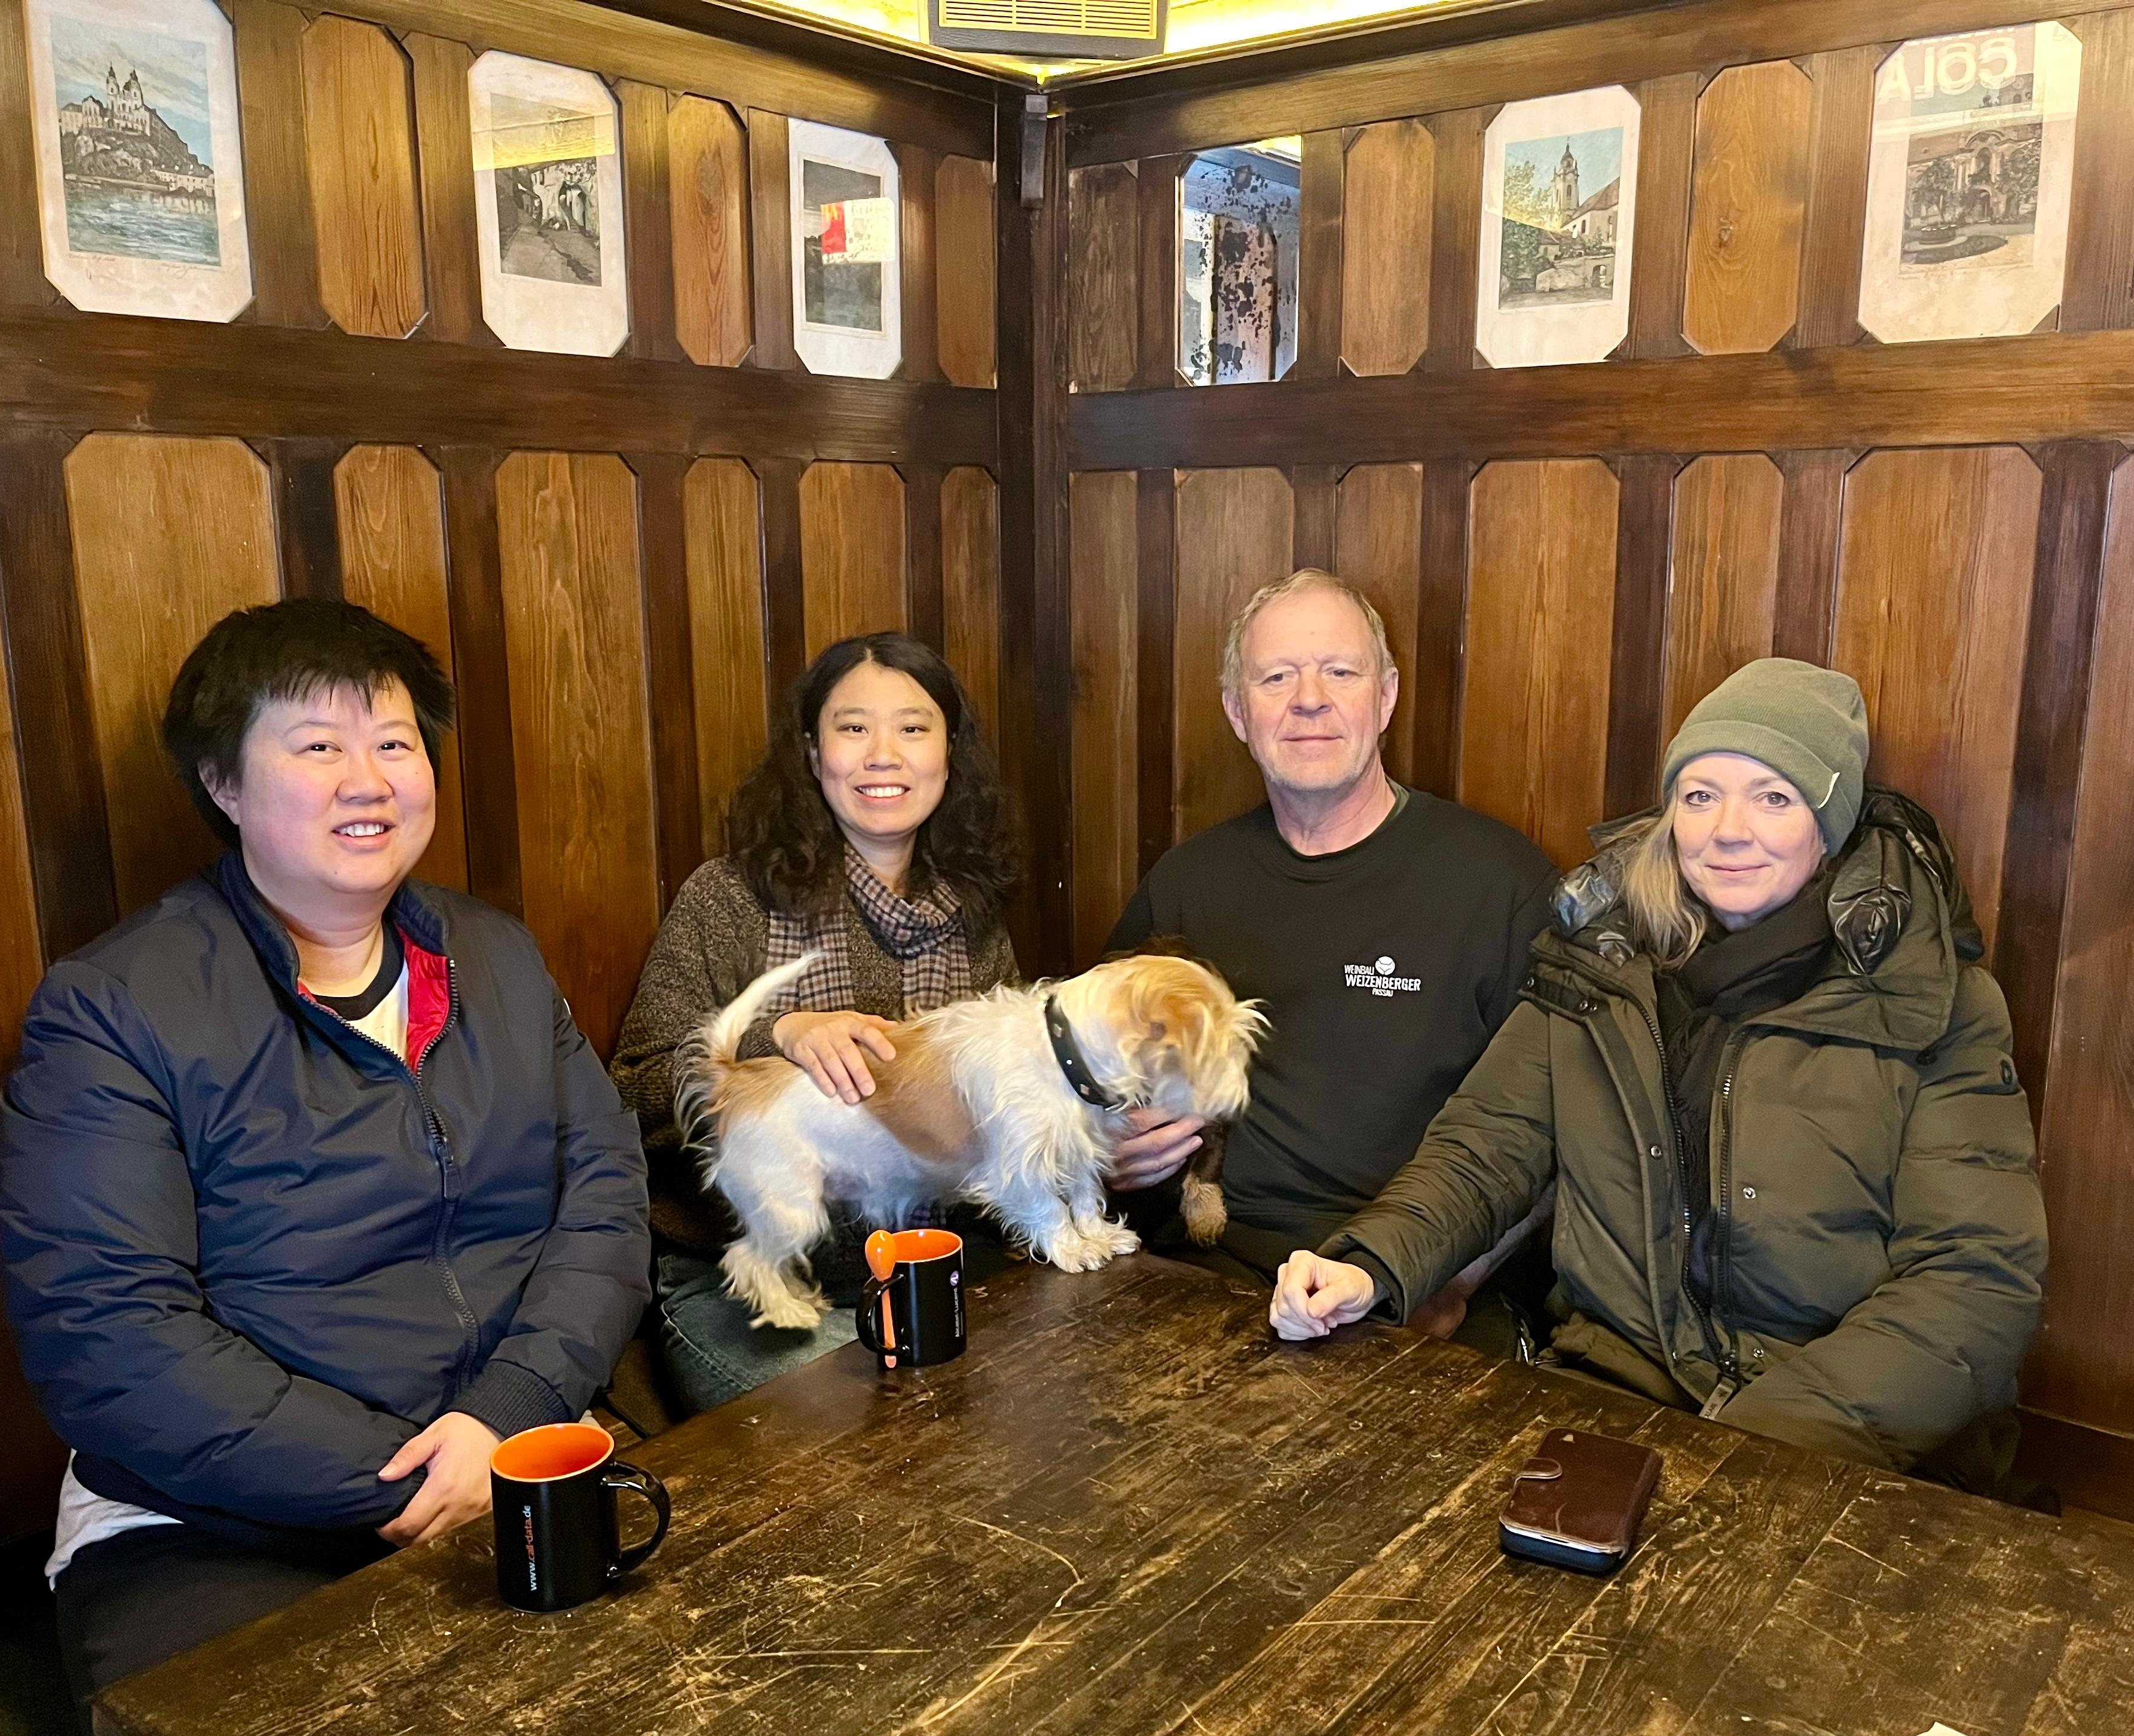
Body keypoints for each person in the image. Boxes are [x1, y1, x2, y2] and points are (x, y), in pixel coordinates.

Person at [0, 600, 650, 1736]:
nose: (369, 778)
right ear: (223, 783)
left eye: (396, 744)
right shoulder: (112, 1007)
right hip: (213, 1526)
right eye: (315, 745)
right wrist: (409, 1483)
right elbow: (112, 1339)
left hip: (509, 1447)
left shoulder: (495, 956)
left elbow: (604, 1197)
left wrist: (509, 1412)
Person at [1271, 659, 2049, 1489]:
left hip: (1831, 1447)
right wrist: (1368, 1266)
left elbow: (1976, 1279)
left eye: (1775, 798)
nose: (1729, 830)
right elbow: (1486, 1148)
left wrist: (1759, 1444)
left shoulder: (1931, 997)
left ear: (1831, 825)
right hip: (1610, 1400)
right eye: (1701, 795)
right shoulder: (1600, 961)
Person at [1105, 570, 1557, 1333]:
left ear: (1385, 698)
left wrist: (1452, 1280)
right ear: (1238, 712)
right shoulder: (1186, 882)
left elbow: (1559, 1132)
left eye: (1339, 673)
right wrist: (1110, 1149)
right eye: (1276, 677)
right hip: (1202, 1277)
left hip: (1410, 1289)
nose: (1308, 698)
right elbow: (1089, 1078)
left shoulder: (1502, 882)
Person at [610, 634, 1021, 1414]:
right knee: (879, 1426)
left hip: (933, 1254)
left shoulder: (974, 917)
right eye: (852, 727)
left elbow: (997, 1111)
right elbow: (631, 1093)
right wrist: (782, 1038)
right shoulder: (727, 898)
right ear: (811, 752)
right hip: (744, 1273)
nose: (882, 755)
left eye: (913, 727)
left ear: (949, 753)